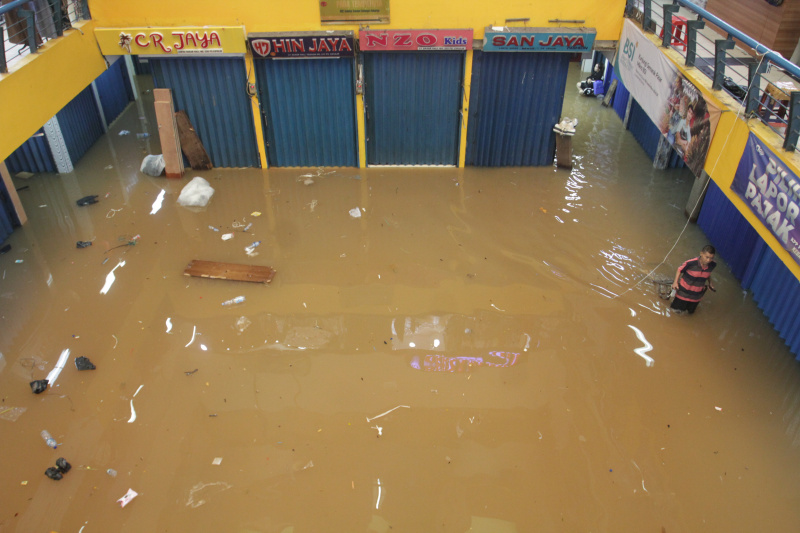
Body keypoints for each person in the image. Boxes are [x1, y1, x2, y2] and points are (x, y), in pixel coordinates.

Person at [670, 245, 717, 314]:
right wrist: (675, 282)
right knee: (675, 312)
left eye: (711, 258)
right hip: (683, 293)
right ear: (701, 254)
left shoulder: (713, 264)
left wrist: (710, 283)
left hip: (696, 296)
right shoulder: (690, 263)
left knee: (690, 313)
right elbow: (679, 269)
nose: (708, 260)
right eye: (707, 257)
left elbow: (708, 273)